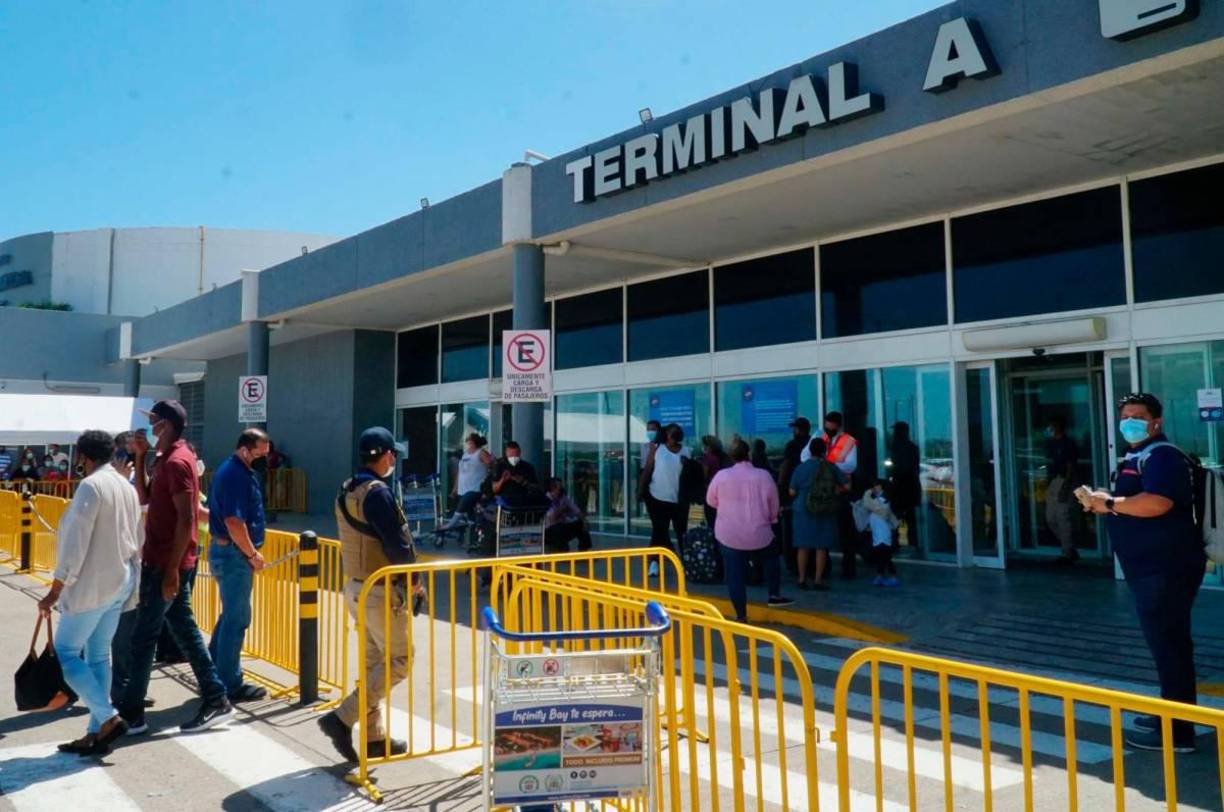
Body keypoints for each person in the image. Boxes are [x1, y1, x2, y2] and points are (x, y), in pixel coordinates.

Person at [1086, 393, 1207, 754]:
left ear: (1157, 422)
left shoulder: (1162, 456)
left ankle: (1177, 734)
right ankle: (1171, 712)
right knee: (1167, 645)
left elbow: (1159, 502)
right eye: (1125, 416)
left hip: (1164, 568)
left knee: (1169, 645)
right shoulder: (1141, 456)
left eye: (1138, 416)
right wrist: (1107, 500)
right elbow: (1136, 500)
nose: (1129, 422)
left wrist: (1108, 503)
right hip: (1151, 568)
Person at [119, 400, 233, 735]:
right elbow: (145, 498)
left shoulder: (178, 461)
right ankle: (216, 697)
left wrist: (170, 571)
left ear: (165, 425)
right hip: (163, 561)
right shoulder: (165, 459)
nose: (148, 428)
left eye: (152, 422)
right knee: (183, 630)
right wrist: (140, 457)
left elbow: (186, 519)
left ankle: (132, 713)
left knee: (144, 638)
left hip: (166, 563)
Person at [318, 426, 422, 763]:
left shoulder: (348, 488)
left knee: (374, 662)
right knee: (400, 660)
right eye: (393, 453)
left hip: (356, 587)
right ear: (386, 454)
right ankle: (343, 718)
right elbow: (397, 544)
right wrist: (414, 582)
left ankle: (375, 738)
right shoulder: (377, 493)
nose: (394, 459)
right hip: (380, 590)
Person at [36, 430, 142, 755]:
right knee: (99, 655)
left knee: (68, 653)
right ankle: (96, 732)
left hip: (93, 583)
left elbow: (74, 543)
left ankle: (108, 719)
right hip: (120, 579)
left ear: (83, 456)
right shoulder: (125, 486)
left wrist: (56, 588)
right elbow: (138, 535)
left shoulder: (91, 486)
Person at [205, 428, 271, 703]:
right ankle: (229, 683)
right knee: (237, 618)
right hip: (234, 555)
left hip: (228, 552)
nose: (263, 459)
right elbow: (234, 521)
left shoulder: (235, 472)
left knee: (230, 614)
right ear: (245, 449)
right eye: (260, 453)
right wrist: (252, 554)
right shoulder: (235, 475)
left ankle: (211, 672)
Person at [705, 439, 792, 621]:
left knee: (735, 575)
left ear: (731, 456)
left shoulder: (722, 476)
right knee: (771, 560)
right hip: (760, 531)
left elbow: (711, 500)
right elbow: (773, 503)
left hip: (729, 533)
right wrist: (771, 518)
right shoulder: (763, 475)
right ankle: (774, 594)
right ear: (749, 454)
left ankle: (741, 614)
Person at [788, 438, 846, 591]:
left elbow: (792, 491)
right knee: (821, 547)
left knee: (803, 546)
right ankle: (818, 580)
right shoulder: (830, 467)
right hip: (824, 509)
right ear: (824, 451)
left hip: (803, 509)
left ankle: (801, 579)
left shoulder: (800, 468)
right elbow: (846, 485)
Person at [640, 424, 689, 577]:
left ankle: (686, 563)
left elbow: (690, 474)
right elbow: (648, 469)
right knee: (659, 531)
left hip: (679, 500)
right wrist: (640, 489)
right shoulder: (657, 449)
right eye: (670, 433)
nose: (672, 436)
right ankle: (655, 563)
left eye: (675, 433)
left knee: (681, 532)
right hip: (658, 497)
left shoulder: (686, 451)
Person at [821, 411, 860, 577]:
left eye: (830, 425)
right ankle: (824, 567)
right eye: (826, 424)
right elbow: (806, 456)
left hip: (841, 493)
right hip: (824, 492)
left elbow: (850, 466)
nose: (827, 428)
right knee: (823, 533)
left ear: (838, 425)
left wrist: (827, 465)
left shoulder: (848, 441)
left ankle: (848, 568)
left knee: (846, 533)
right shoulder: (820, 438)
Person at [776, 417, 813, 576]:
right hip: (812, 493)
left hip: (794, 492)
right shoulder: (813, 443)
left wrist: (780, 486)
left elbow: (785, 466)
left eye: (795, 428)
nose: (794, 431)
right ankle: (814, 564)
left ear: (799, 429)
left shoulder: (792, 445)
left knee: (791, 530)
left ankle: (793, 563)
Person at [1045, 415, 1080, 564]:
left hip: (1064, 481)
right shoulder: (1051, 444)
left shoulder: (1068, 444)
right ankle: (1070, 548)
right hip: (1053, 481)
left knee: (1063, 517)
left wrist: (1066, 487)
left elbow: (1071, 466)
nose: (1050, 429)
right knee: (1050, 518)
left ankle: (1067, 552)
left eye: (1052, 426)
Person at [440, 433, 493, 530]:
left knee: (462, 506)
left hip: (475, 488)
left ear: (475, 443)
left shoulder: (481, 453)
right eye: (468, 443)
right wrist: (455, 489)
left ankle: (450, 524)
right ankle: (472, 534)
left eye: (470, 443)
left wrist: (488, 482)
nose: (468, 445)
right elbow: (460, 473)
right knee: (470, 513)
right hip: (463, 488)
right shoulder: (465, 454)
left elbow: (491, 465)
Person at [888, 421, 921, 548]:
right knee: (910, 519)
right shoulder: (911, 447)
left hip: (900, 487)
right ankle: (914, 543)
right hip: (910, 486)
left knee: (895, 518)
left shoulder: (895, 448)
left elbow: (901, 468)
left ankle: (895, 544)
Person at [863, 479, 901, 587]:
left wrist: (868, 494)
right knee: (880, 555)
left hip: (883, 533)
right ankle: (880, 575)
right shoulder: (878, 499)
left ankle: (892, 576)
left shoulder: (884, 500)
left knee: (885, 555)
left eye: (877, 486)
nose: (874, 488)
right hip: (878, 531)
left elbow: (869, 505)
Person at [543, 478, 593, 553]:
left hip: (562, 525)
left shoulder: (564, 498)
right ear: (553, 488)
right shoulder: (546, 499)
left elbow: (576, 510)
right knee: (558, 528)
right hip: (550, 529)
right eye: (559, 487)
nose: (561, 489)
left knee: (581, 524)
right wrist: (562, 510)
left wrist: (584, 520)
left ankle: (584, 550)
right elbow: (552, 517)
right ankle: (561, 551)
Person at [699, 435, 732, 527]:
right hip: (726, 491)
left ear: (708, 446)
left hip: (711, 491)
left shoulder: (708, 458)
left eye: (704, 445)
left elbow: (704, 476)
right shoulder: (726, 457)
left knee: (712, 520)